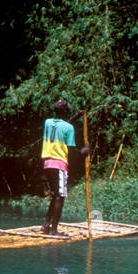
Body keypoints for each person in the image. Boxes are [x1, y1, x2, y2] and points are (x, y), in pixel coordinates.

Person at [40, 100, 90, 237]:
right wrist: (84, 151)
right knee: (60, 196)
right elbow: (72, 149)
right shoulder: (69, 128)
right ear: (65, 111)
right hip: (59, 164)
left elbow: (61, 125)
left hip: (47, 164)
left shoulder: (48, 122)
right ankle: (53, 230)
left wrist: (75, 116)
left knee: (56, 195)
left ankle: (46, 225)